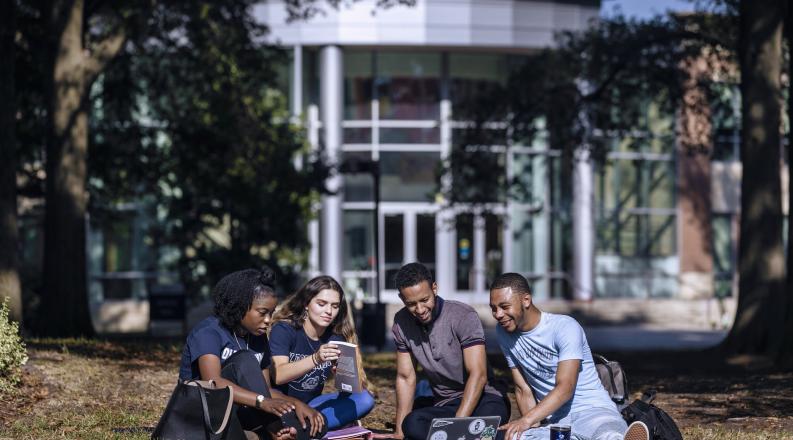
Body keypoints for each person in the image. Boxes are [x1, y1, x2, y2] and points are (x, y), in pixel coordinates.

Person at [488, 273, 650, 440]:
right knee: (512, 437)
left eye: (504, 306)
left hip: (593, 411)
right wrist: (532, 428)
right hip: (555, 422)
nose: (498, 314)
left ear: (526, 300)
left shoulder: (564, 327)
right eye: (493, 308)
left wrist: (526, 420)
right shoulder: (503, 332)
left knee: (609, 435)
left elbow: (565, 387)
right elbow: (523, 389)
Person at [179, 268, 326, 440]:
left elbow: (263, 389)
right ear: (240, 307)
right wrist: (262, 402)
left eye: (271, 313)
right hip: (201, 413)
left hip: (240, 410)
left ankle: (263, 434)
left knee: (313, 426)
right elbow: (213, 383)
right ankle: (259, 433)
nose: (268, 320)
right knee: (244, 359)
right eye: (262, 313)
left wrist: (295, 404)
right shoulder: (208, 332)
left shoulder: (258, 337)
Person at [379, 262, 510, 440]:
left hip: (485, 398)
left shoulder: (463, 315)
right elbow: (405, 377)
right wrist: (399, 433)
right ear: (402, 299)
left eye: (424, 300)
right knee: (411, 424)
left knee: (484, 421)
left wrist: (456, 426)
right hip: (447, 404)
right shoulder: (401, 323)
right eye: (411, 304)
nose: (420, 309)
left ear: (434, 288)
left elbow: (478, 375)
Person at [269, 275, 375, 430]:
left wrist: (343, 376)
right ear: (306, 304)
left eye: (335, 306)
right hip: (282, 403)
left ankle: (310, 427)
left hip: (312, 405)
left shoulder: (336, 338)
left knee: (365, 399)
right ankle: (314, 427)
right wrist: (316, 358)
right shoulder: (285, 329)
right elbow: (278, 376)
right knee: (289, 418)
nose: (329, 311)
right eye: (321, 304)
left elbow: (348, 390)